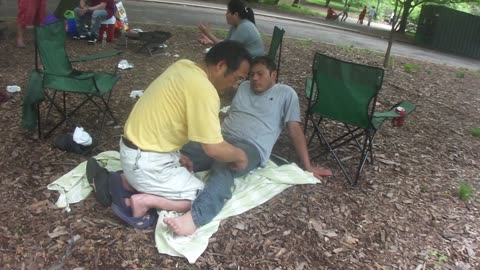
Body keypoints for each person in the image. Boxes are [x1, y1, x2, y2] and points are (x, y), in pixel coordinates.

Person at [163, 56, 333, 236]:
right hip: (221, 139)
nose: (254, 79)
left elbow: (295, 129)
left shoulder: (286, 94)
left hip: (251, 147)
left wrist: (307, 166)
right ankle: (147, 181)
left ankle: (196, 218)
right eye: (251, 75)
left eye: (260, 74)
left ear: (273, 75)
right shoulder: (243, 88)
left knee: (225, 166)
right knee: (184, 153)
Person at [88, 41, 252, 224]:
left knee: (182, 165)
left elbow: (164, 121)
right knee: (201, 197)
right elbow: (213, 149)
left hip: (132, 152)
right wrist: (240, 155)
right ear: (221, 66)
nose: (235, 85)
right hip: (146, 164)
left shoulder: (183, 66)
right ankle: (144, 201)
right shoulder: (205, 90)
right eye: (237, 78)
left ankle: (126, 181)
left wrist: (175, 155)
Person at [197, 0, 264, 57]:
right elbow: (226, 44)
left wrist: (207, 33)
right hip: (245, 58)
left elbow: (227, 49)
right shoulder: (235, 26)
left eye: (228, 12)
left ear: (235, 15)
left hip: (253, 62)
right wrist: (211, 41)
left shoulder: (244, 27)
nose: (225, 15)